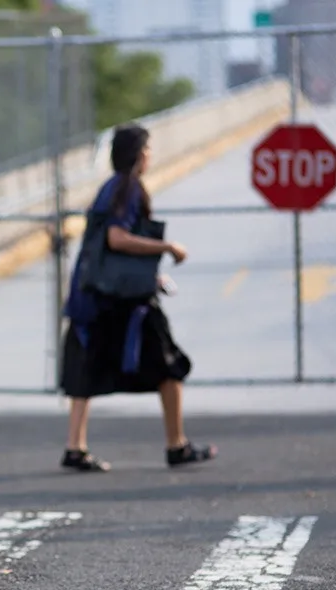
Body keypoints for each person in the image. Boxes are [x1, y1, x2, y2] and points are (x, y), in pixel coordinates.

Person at [58, 123, 217, 472]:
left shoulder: (111, 188)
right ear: (138, 154)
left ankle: (75, 447)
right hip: (121, 300)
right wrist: (168, 246)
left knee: (85, 366)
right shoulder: (127, 189)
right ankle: (177, 445)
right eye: (147, 149)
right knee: (169, 363)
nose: (150, 156)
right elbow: (116, 238)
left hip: (94, 295)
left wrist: (150, 273)